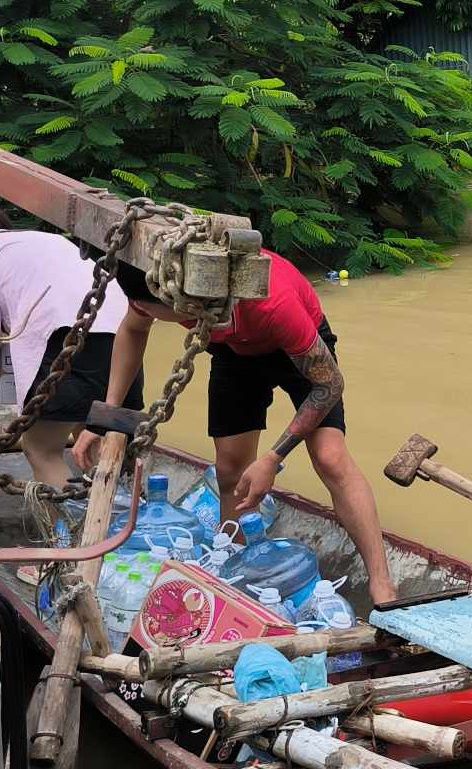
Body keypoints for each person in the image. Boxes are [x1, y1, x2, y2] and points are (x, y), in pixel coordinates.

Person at [73, 252, 396, 606]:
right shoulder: (156, 280)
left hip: (296, 353)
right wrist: (106, 419)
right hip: (233, 353)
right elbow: (133, 331)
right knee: (230, 471)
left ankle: (382, 585)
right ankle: (240, 572)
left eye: (152, 310)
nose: (146, 314)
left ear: (182, 298)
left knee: (330, 457)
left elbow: (329, 384)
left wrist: (273, 458)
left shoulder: (271, 303)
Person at [0, 205, 145, 485]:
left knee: (42, 450)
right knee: (105, 444)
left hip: (64, 337)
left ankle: (69, 529)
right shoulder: (46, 239)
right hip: (126, 336)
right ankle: (124, 520)